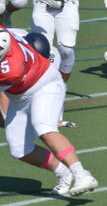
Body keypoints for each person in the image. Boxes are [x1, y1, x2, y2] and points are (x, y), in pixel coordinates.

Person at [0, 27, 98, 197]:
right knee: (19, 149)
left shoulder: (11, 69)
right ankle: (63, 173)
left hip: (45, 84)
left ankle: (82, 174)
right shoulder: (4, 33)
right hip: (19, 96)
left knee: (44, 127)